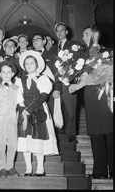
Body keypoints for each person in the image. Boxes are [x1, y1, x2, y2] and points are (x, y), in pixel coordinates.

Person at [69, 24, 113, 179]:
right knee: (95, 133)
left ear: (95, 35)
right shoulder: (82, 55)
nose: (83, 37)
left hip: (105, 94)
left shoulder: (107, 52)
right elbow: (77, 73)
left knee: (109, 132)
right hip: (90, 96)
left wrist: (79, 84)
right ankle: (99, 170)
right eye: (83, 34)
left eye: (86, 34)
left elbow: (105, 73)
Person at [15, 50, 59, 176]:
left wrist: (31, 109)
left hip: (38, 110)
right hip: (24, 112)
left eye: (32, 63)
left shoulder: (43, 78)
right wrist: (23, 110)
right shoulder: (20, 80)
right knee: (25, 139)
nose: (29, 65)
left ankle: (40, 168)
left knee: (38, 139)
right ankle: (28, 168)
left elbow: (43, 96)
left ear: (37, 64)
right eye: (26, 63)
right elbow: (18, 97)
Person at [0, 61, 25, 179]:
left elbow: (21, 104)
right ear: (0, 74)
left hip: (12, 120)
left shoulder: (17, 88)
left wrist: (23, 118)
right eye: (3, 72)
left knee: (12, 143)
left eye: (8, 72)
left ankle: (10, 166)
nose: (6, 74)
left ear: (13, 74)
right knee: (0, 144)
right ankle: (2, 168)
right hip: (0, 120)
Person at [51, 22, 82, 142]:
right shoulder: (53, 49)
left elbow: (80, 63)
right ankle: (57, 133)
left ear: (67, 32)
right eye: (57, 31)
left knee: (71, 109)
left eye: (62, 30)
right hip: (55, 84)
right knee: (57, 109)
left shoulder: (75, 45)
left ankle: (71, 134)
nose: (59, 33)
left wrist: (74, 80)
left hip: (69, 82)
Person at [32, 33, 63, 130]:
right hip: (33, 92)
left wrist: (57, 89)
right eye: (33, 40)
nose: (35, 41)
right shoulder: (30, 56)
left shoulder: (52, 56)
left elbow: (57, 74)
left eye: (37, 39)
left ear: (44, 41)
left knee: (49, 118)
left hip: (49, 93)